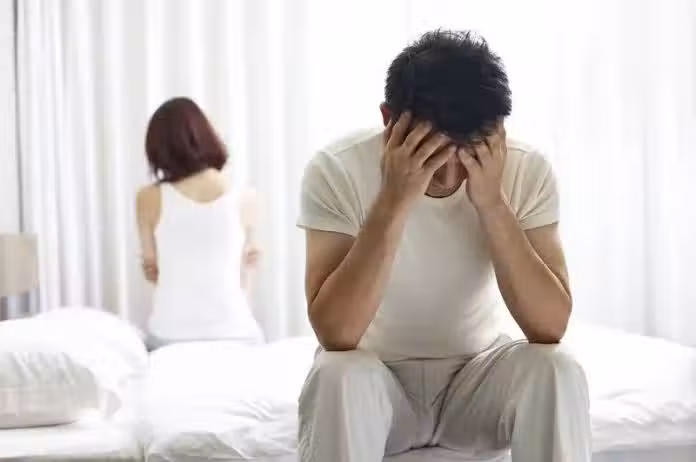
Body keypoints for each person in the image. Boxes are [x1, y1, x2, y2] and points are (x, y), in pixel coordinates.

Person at [296, 30, 590, 462]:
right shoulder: (337, 169)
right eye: (431, 152)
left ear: (498, 131)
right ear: (388, 121)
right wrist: (394, 199)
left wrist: (493, 204)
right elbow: (336, 333)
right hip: (378, 383)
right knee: (336, 373)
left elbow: (550, 326)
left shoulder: (525, 169)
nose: (450, 175)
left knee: (557, 369)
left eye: (469, 152)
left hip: (477, 382)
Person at [136, 97, 263, 350]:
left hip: (170, 336)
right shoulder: (246, 196)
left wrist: (155, 269)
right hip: (238, 334)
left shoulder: (148, 198)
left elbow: (153, 270)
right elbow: (246, 270)